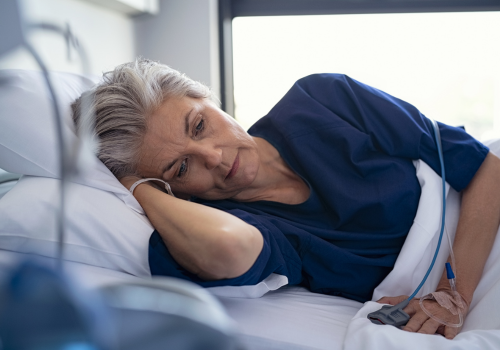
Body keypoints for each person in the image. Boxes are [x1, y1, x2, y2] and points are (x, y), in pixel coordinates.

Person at [72, 59, 500, 339]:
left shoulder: (323, 99)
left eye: (199, 125)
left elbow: (484, 165)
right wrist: (136, 184)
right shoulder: (234, 221)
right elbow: (227, 248)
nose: (215, 159)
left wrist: (452, 293)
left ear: (209, 98)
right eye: (181, 168)